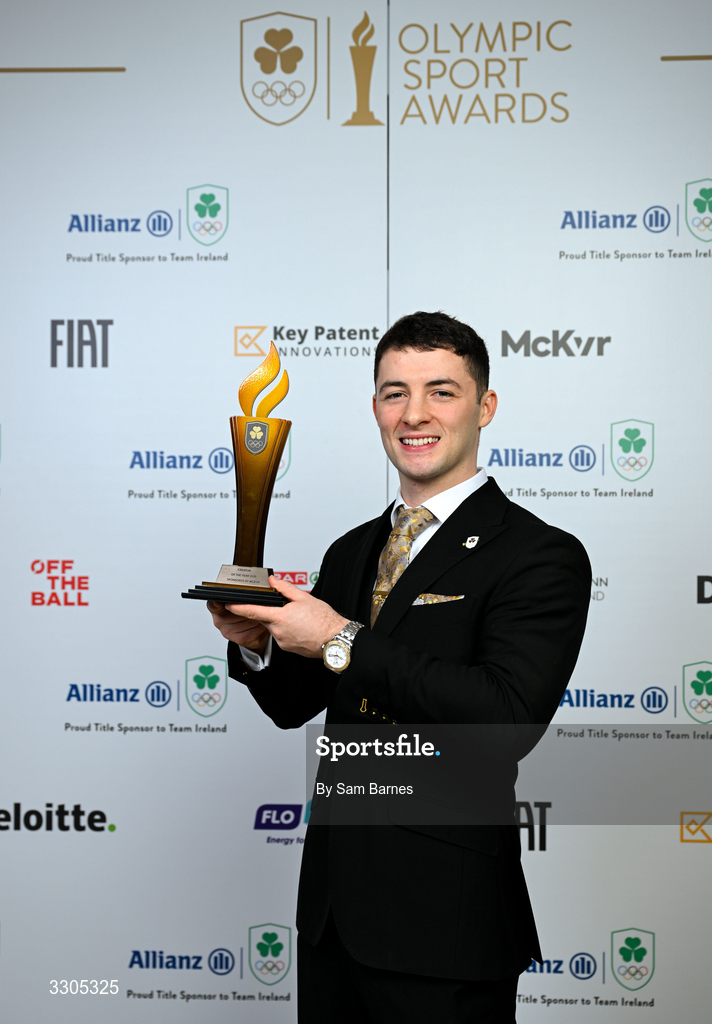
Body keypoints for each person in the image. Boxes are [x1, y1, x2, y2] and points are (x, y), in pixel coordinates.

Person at [208, 311, 591, 1023]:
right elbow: (298, 699)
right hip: (331, 919)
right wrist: (253, 642)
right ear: (375, 407)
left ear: (485, 407)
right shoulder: (354, 548)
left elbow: (503, 720)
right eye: (393, 393)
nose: (414, 414)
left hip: (445, 923)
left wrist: (339, 635)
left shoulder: (539, 554)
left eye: (441, 391)